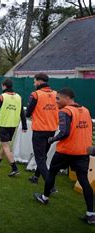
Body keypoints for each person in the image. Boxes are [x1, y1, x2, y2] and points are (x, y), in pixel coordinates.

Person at [34, 88, 94, 225]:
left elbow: (64, 132)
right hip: (83, 152)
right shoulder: (86, 110)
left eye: (58, 99)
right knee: (84, 180)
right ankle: (91, 214)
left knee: (51, 173)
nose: (56, 102)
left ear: (67, 99)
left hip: (66, 150)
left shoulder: (65, 111)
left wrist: (52, 139)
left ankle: (44, 197)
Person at [0, 79, 27, 177]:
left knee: (5, 146)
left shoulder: (2, 97)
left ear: (4, 86)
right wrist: (24, 125)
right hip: (13, 125)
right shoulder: (19, 97)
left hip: (4, 124)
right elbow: (22, 112)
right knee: (6, 144)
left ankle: (14, 168)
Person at [26, 73, 59, 185]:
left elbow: (28, 112)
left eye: (34, 81)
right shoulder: (56, 94)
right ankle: (36, 176)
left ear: (39, 82)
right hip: (52, 130)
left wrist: (29, 115)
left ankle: (50, 185)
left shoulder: (35, 94)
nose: (34, 83)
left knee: (40, 158)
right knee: (43, 156)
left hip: (39, 130)